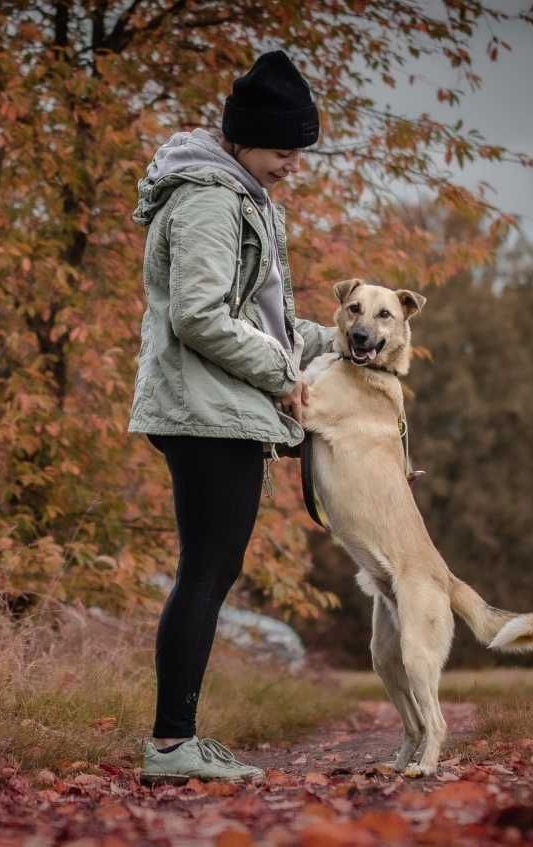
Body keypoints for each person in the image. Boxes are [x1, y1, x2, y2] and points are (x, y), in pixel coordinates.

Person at [128, 50, 337, 784]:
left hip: (216, 409)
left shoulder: (238, 193)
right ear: (248, 139)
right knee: (206, 573)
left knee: (209, 572)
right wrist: (286, 375)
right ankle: (171, 744)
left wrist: (337, 341)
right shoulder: (213, 199)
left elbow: (257, 318)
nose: (292, 165)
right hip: (205, 414)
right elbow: (200, 317)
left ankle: (175, 739)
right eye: (285, 150)